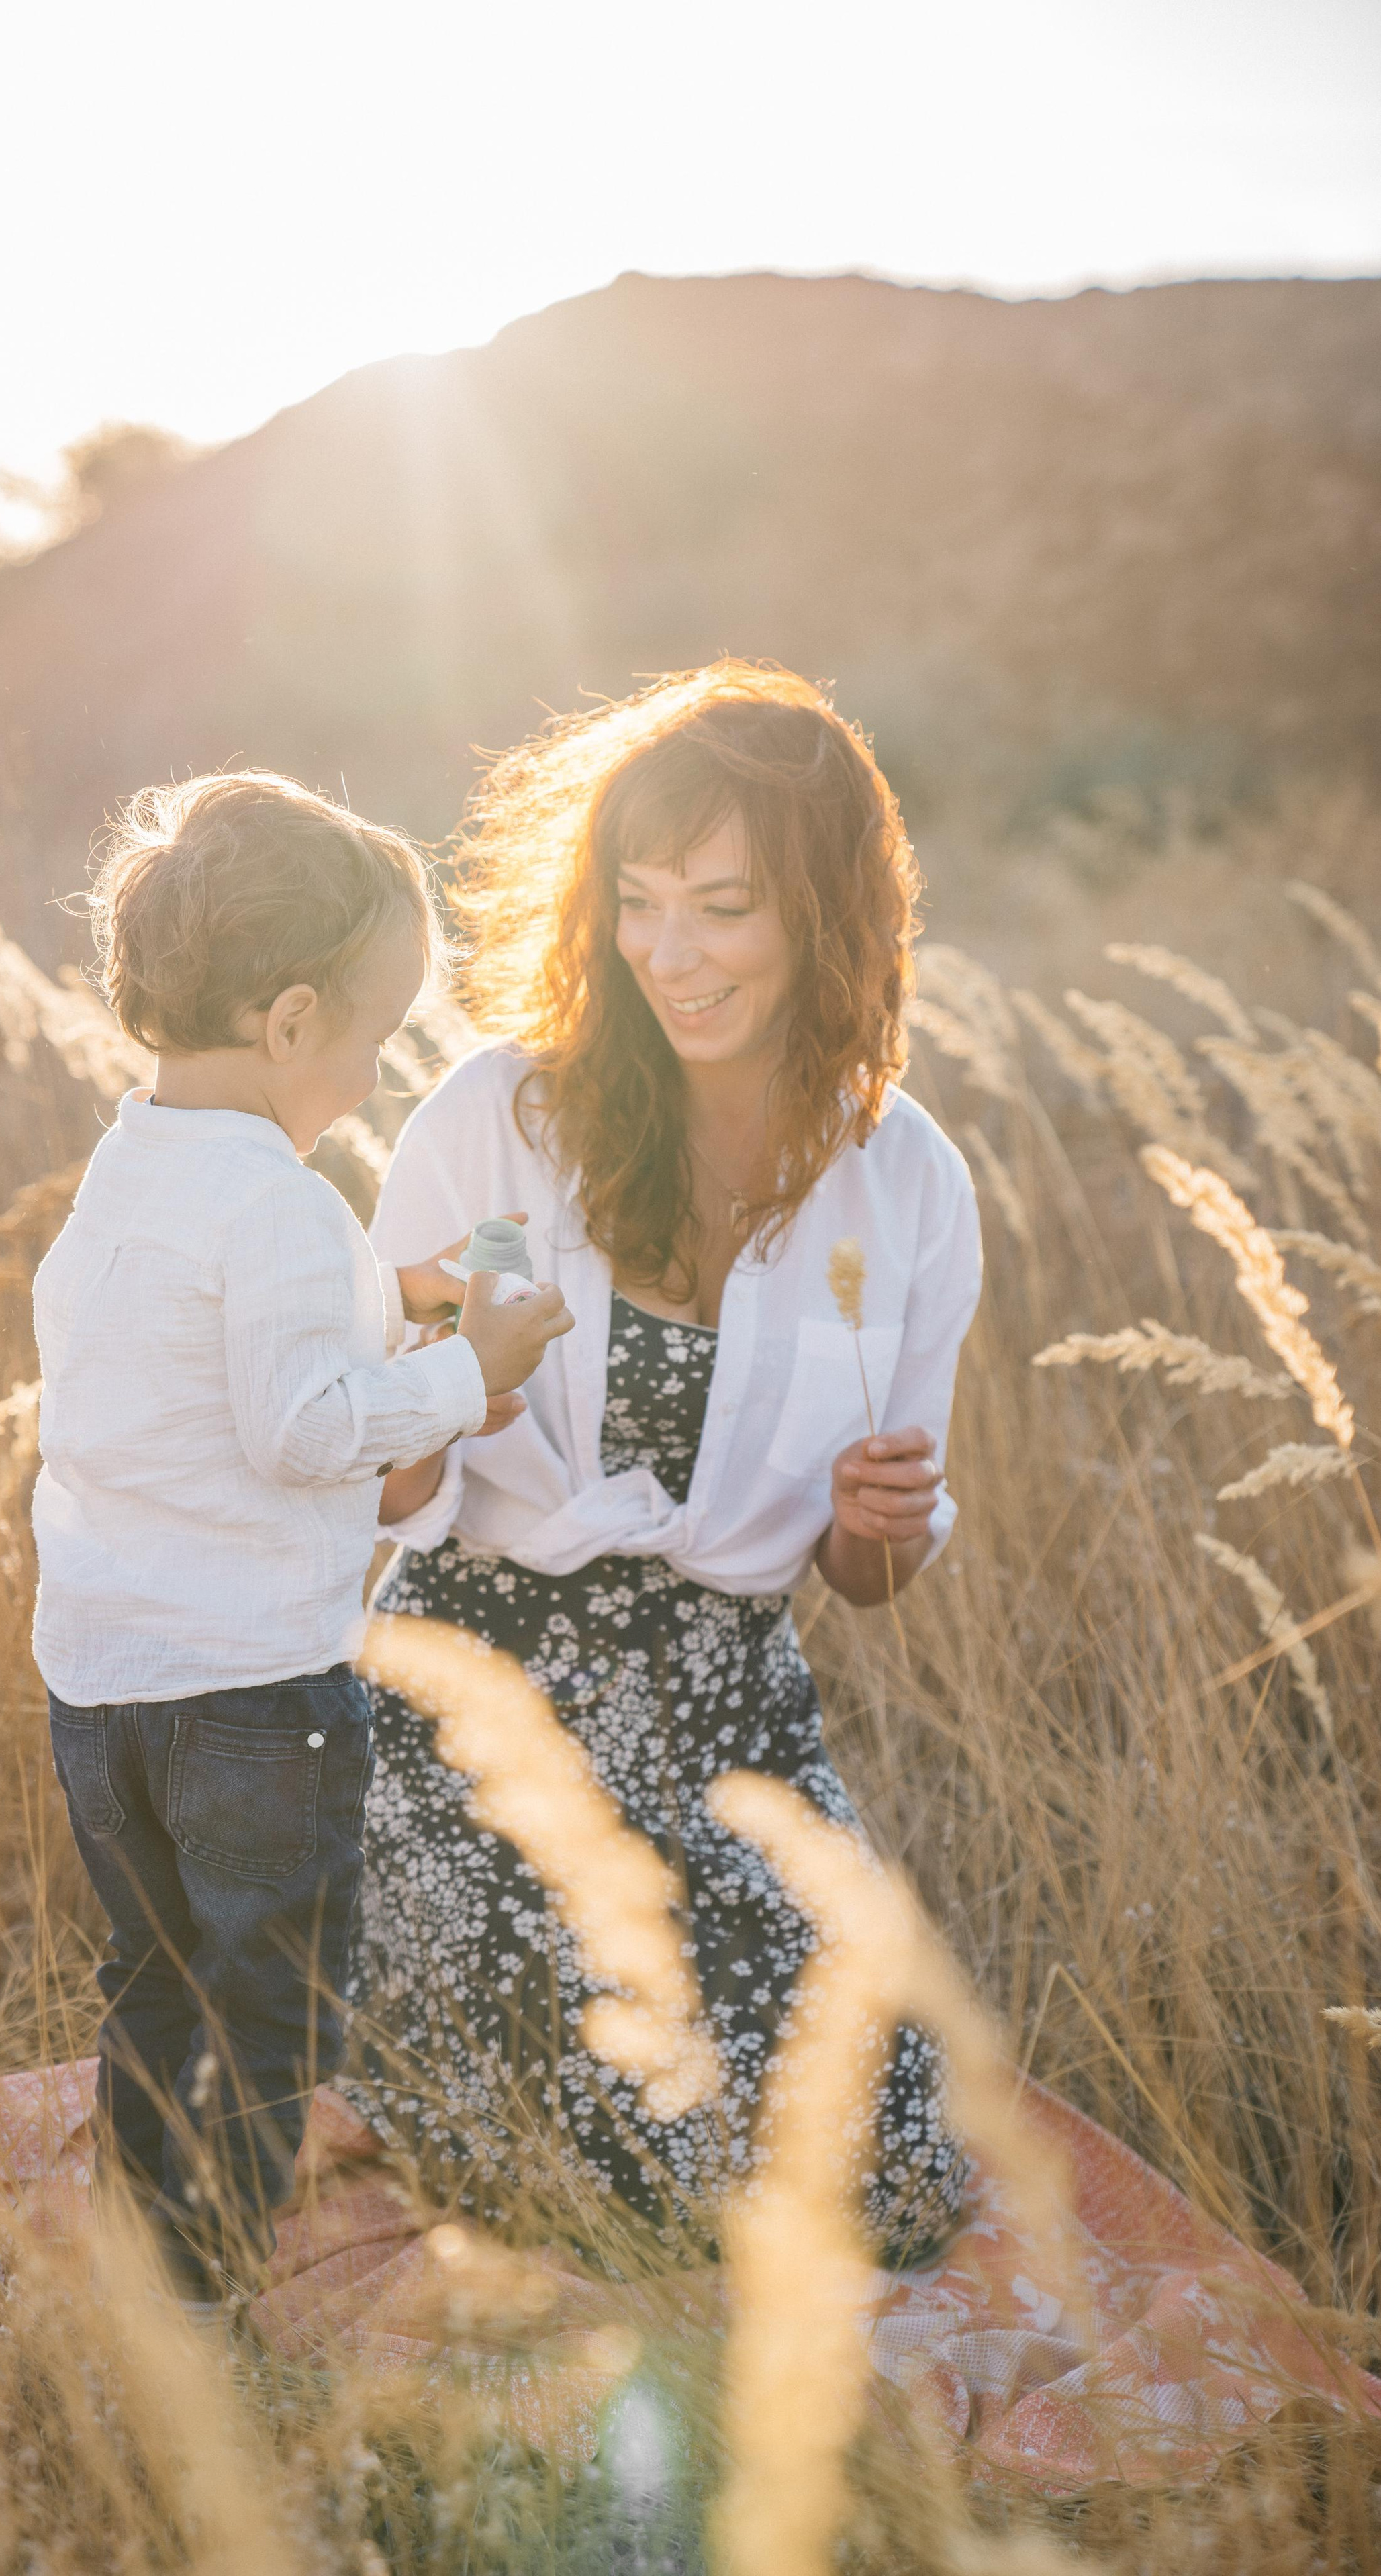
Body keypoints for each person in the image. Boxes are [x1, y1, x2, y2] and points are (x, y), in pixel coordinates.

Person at [346, 663, 982, 2264]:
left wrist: (871, 1520)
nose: (667, 953)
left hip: (727, 1722)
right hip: (472, 1702)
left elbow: (874, 1574)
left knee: (886, 2173)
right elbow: (372, 1469)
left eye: (721, 905)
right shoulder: (499, 1120)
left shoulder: (899, 1177)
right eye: (636, 902)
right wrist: (438, 1407)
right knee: (565, 2170)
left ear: (827, 917)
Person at [30, 770, 573, 2305]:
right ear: (285, 1021)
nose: (378, 1064)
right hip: (251, 1694)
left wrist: (389, 1293)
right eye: (375, 1032)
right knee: (267, 2001)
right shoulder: (273, 1198)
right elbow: (301, 1429)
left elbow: (195, 1355)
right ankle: (211, 2292)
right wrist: (478, 1369)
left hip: (105, 1685)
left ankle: (150, 2250)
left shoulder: (135, 1158)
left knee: (151, 1976)